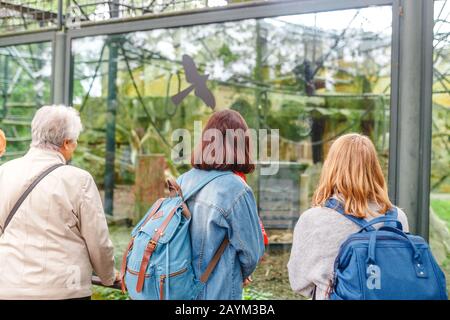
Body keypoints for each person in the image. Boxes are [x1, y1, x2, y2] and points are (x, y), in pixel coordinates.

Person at [0, 105, 117, 300]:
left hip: (9, 288)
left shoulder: (5, 172)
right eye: (75, 141)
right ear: (67, 143)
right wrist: (108, 277)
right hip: (63, 291)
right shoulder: (79, 180)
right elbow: (98, 241)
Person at [287, 133, 409, 300]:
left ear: (332, 167)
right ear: (374, 167)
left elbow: (299, 282)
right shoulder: (397, 217)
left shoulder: (313, 219)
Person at [179, 109, 265, 300]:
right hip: (219, 290)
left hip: (180, 288)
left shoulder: (183, 181)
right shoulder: (236, 189)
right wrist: (241, 272)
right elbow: (252, 252)